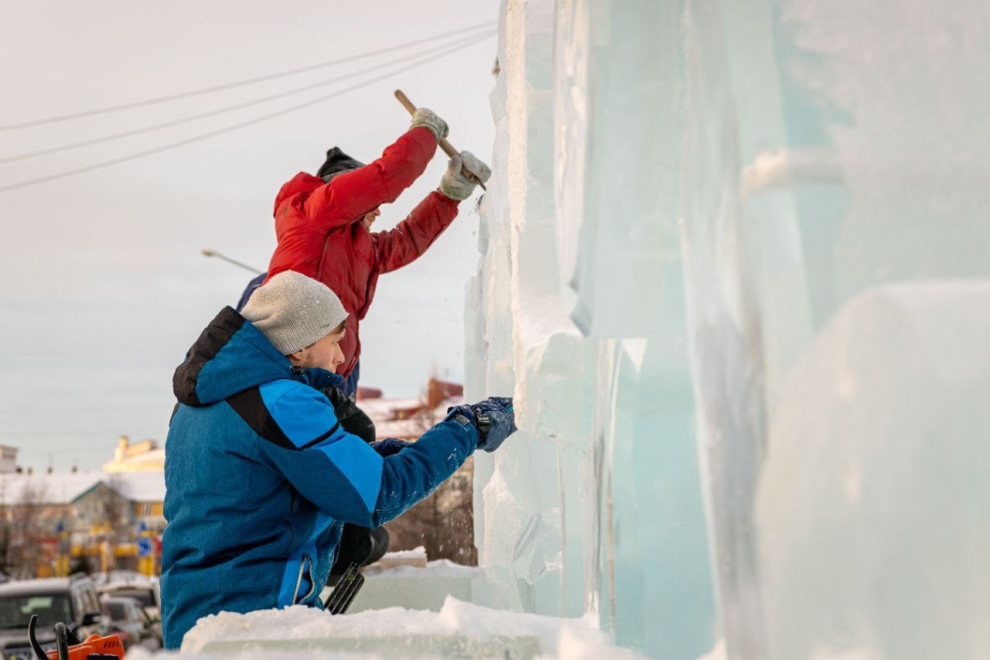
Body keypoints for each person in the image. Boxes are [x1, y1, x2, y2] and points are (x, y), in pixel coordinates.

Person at [160, 272, 515, 649]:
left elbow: (277, 478)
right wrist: (468, 428)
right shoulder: (281, 402)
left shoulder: (195, 406)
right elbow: (380, 493)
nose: (341, 356)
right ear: (298, 347)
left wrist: (388, 455)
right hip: (256, 627)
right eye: (334, 340)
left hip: (197, 621)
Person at [238, 107, 491, 399]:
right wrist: (425, 132)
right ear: (346, 192)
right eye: (368, 201)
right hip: (296, 367)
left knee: (354, 437)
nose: (378, 208)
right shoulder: (317, 211)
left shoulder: (359, 246)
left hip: (333, 373)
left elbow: (407, 239)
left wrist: (450, 193)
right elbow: (388, 177)